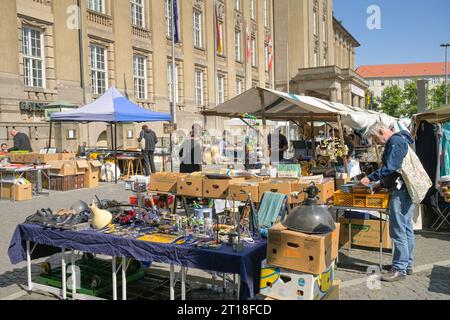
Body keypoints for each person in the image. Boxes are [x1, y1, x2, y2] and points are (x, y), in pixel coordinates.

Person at [361, 123, 415, 282]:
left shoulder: (395, 141)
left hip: (401, 191)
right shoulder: (402, 139)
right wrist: (382, 184)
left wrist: (370, 178)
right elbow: (396, 170)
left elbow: (392, 167)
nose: (376, 142)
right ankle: (407, 264)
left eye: (375, 138)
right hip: (406, 189)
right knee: (406, 228)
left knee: (398, 230)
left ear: (381, 131)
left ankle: (399, 269)